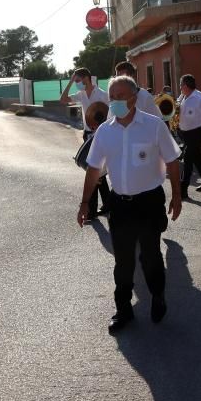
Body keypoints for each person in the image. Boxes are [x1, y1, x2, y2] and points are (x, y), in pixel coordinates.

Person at [78, 75, 183, 333]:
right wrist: (84, 203)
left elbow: (172, 161)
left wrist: (177, 196)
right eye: (112, 97)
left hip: (149, 201)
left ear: (134, 98)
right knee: (123, 262)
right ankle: (123, 309)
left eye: (120, 97)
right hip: (120, 204)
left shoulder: (154, 125)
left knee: (150, 256)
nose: (114, 102)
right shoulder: (104, 131)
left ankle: (157, 296)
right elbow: (93, 170)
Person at [61, 68, 111, 218]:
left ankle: (91, 210)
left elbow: (110, 113)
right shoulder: (81, 95)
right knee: (97, 172)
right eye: (75, 81)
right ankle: (108, 204)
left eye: (78, 81)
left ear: (87, 79)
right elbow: (63, 99)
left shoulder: (102, 94)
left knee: (93, 170)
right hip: (87, 135)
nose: (77, 84)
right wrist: (70, 82)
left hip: (100, 135)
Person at [176, 74, 201, 197]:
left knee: (187, 159)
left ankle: (183, 190)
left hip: (197, 132)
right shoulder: (183, 96)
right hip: (185, 133)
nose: (179, 88)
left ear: (185, 85)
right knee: (197, 156)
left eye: (180, 85)